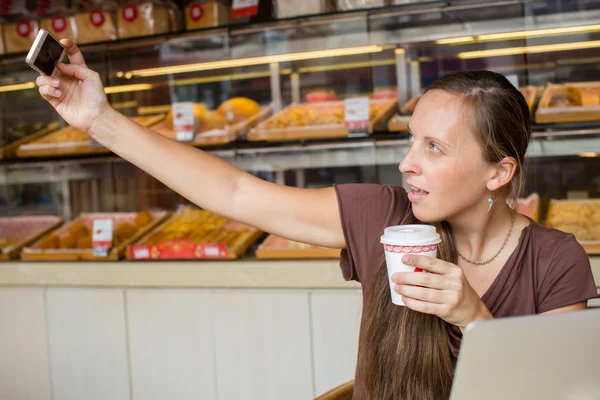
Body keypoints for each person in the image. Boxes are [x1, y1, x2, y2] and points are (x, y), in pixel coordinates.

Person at [37, 40, 598, 399]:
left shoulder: (555, 259)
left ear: (499, 172)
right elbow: (236, 192)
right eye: (410, 140)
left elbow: (558, 394)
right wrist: (100, 121)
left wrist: (474, 318)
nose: (407, 163)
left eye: (435, 147)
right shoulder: (383, 216)